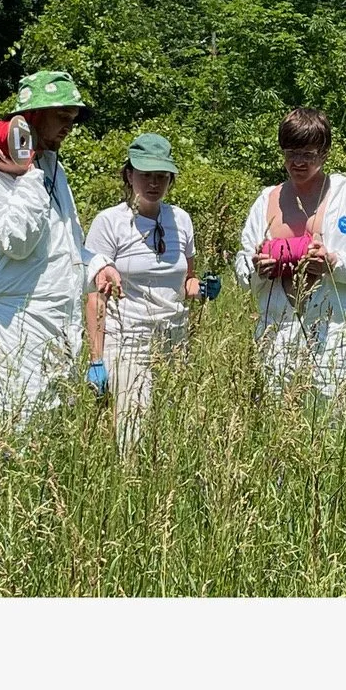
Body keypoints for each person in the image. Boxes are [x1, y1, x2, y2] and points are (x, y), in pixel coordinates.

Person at [0, 70, 122, 424]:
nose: (69, 127)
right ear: (31, 116)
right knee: (14, 436)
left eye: (73, 120)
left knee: (48, 439)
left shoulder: (52, 169)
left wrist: (97, 266)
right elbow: (18, 241)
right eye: (62, 118)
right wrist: (27, 174)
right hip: (11, 329)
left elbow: (63, 245)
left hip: (56, 329)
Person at [234, 107, 346, 414]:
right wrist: (258, 269)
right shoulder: (267, 200)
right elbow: (242, 264)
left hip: (333, 333)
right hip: (275, 334)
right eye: (290, 152)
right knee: (276, 422)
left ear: (325, 152)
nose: (298, 162)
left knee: (332, 423)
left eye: (308, 153)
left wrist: (335, 263)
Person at [84, 134, 220, 455]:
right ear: (129, 174)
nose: (153, 183)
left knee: (171, 432)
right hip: (127, 341)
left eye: (161, 176)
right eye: (146, 175)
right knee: (133, 434)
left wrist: (203, 289)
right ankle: (127, 491)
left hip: (173, 342)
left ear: (171, 179)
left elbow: (186, 281)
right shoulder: (110, 223)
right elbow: (95, 294)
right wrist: (96, 359)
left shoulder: (181, 221)